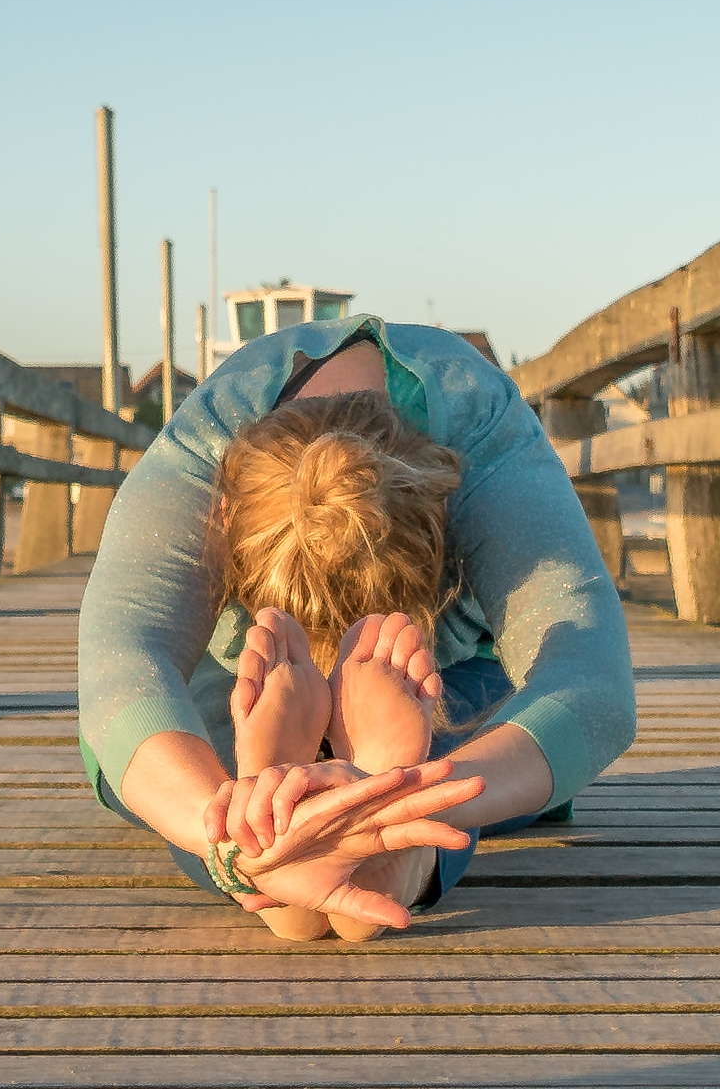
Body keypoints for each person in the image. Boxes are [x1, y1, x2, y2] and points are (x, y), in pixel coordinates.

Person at [76, 314, 635, 939]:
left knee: (187, 763)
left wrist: (237, 827)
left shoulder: (199, 448)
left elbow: (121, 670)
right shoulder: (483, 429)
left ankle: (269, 846)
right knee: (463, 750)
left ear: (225, 518)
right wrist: (407, 802)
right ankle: (405, 854)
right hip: (401, 675)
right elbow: (591, 685)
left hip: (262, 677)